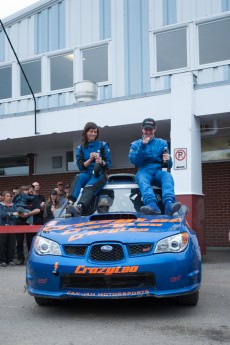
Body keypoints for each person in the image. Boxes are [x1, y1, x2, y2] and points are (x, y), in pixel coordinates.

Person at [129, 118, 181, 215]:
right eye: (146, 129)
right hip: (144, 170)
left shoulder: (162, 143)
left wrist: (167, 160)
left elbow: (167, 166)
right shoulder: (135, 144)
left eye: (150, 129)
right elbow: (136, 162)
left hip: (158, 171)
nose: (148, 132)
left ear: (155, 129)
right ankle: (152, 205)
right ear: (142, 129)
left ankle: (169, 204)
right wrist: (143, 145)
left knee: (167, 176)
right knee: (141, 178)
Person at [67, 122, 111, 216]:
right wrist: (90, 159)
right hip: (87, 173)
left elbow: (108, 164)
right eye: (91, 131)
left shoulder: (103, 145)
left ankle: (80, 207)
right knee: (77, 177)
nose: (93, 134)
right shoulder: (80, 148)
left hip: (99, 174)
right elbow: (80, 166)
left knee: (89, 187)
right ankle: (69, 204)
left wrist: (101, 161)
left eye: (95, 132)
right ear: (86, 132)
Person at [15, 195, 41, 265]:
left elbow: (38, 210)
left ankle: (30, 259)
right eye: (26, 190)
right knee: (19, 241)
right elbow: (14, 208)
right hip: (19, 222)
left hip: (30, 223)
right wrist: (20, 215)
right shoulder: (18, 198)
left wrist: (28, 214)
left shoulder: (34, 199)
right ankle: (20, 259)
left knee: (30, 241)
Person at [0, 191, 18, 267]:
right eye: (7, 196)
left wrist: (11, 214)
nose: (9, 197)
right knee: (2, 244)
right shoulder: (0, 205)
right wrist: (11, 214)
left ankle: (10, 260)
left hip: (12, 227)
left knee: (11, 244)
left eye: (10, 196)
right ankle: (2, 260)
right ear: (3, 197)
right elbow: (1, 214)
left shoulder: (13, 205)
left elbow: (16, 215)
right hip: (2, 227)